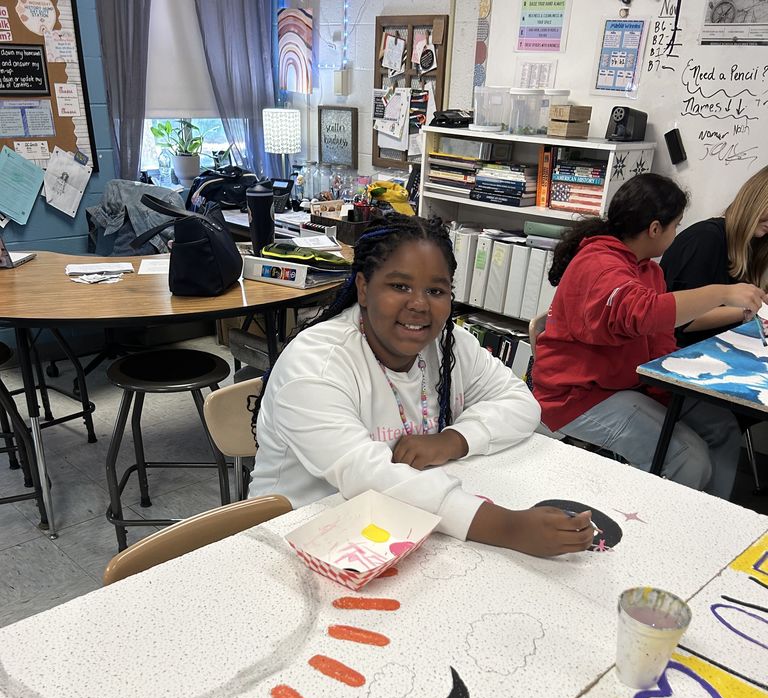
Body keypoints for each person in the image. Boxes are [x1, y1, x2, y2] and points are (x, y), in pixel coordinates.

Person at [249, 214, 594, 558]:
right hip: (291, 541)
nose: (419, 304)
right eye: (400, 286)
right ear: (364, 288)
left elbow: (521, 403)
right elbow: (368, 474)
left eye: (436, 291)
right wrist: (508, 527)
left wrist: (454, 440)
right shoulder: (315, 364)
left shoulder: (449, 345)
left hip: (392, 532)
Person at [532, 173, 766, 500]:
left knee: (722, 426)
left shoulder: (648, 270)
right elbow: (643, 313)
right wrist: (722, 293)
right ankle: (661, 523)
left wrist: (670, 385)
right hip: (578, 397)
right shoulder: (599, 264)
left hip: (627, 383)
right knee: (688, 457)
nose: (677, 233)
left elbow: (659, 337)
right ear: (655, 229)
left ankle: (708, 519)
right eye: (676, 226)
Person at [660, 165, 768, 346]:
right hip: (678, 352)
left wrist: (758, 301)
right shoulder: (706, 239)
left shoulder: (754, 243)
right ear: (757, 200)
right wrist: (751, 308)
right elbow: (684, 321)